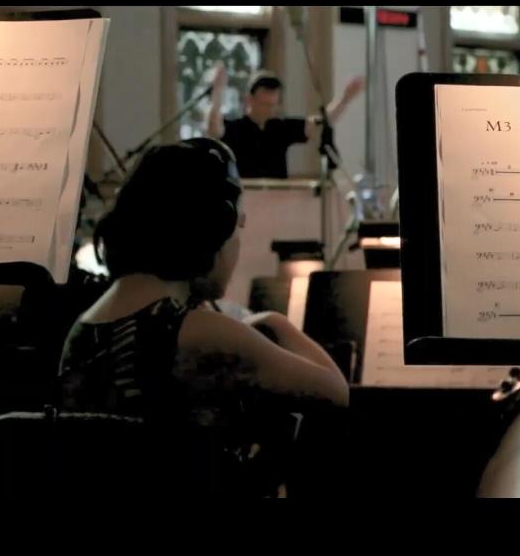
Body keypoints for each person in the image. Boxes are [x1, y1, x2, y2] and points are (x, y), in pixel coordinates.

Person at [58, 138, 349, 432]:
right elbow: (336, 392)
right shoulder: (200, 333)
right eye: (238, 225)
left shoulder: (85, 327)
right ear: (214, 228)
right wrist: (276, 322)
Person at [207, 64, 365, 178]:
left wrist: (345, 99)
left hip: (278, 198)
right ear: (249, 100)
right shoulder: (235, 128)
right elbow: (214, 128)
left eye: (273, 105)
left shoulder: (280, 127)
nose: (270, 110)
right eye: (265, 104)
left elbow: (321, 123)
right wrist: (217, 92)